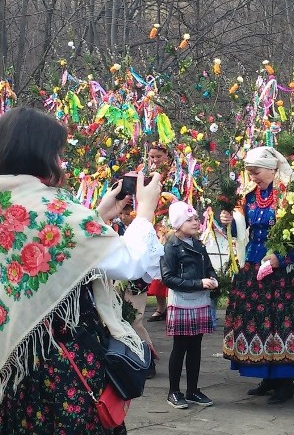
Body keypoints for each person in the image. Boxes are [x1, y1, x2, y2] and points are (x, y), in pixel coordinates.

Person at [0, 107, 164, 434]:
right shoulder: (50, 208)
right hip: (62, 368)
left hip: (18, 367)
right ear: (39, 154)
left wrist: (98, 216)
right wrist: (145, 211)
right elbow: (131, 261)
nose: (59, 162)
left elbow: (55, 254)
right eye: (56, 153)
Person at [219, 146, 294, 405]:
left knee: (282, 323)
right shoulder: (249, 196)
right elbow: (242, 229)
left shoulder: (292, 196)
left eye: (255, 172)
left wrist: (281, 259)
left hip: (284, 273)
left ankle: (284, 382)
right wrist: (228, 220)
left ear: (271, 169)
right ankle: (266, 376)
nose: (253, 176)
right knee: (258, 322)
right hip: (255, 266)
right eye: (249, 172)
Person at [161, 201, 218, 409]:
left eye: (196, 218)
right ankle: (173, 391)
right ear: (178, 224)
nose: (196, 222)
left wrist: (212, 279)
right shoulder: (171, 246)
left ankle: (192, 390)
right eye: (190, 219)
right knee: (180, 347)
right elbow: (168, 278)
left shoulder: (199, 244)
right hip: (182, 302)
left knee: (196, 346)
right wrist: (197, 283)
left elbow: (209, 268)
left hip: (200, 300)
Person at [113, 199, 158, 379]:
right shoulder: (116, 227)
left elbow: (151, 256)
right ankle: (127, 357)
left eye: (128, 212)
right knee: (118, 319)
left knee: (135, 320)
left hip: (137, 282)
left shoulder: (144, 230)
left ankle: (149, 359)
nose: (124, 216)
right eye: (122, 213)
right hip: (118, 279)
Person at [147, 141, 173, 322]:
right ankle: (161, 306)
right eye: (152, 157)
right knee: (155, 261)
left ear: (168, 157)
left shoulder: (176, 174)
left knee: (170, 261)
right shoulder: (147, 174)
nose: (155, 160)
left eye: (159, 156)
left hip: (171, 221)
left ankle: (172, 305)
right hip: (153, 221)